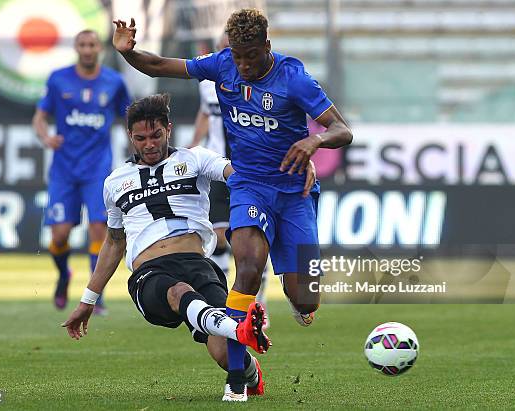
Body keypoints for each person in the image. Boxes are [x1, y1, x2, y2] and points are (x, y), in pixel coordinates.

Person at [112, 8, 352, 400]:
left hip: (294, 195)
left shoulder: (293, 77)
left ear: (267, 47)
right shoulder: (222, 66)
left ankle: (296, 294)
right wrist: (127, 52)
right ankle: (237, 380)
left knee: (307, 295)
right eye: (238, 55)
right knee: (248, 268)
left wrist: (314, 142)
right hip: (249, 186)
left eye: (251, 57)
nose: (243, 65)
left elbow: (342, 129)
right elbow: (156, 65)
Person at [62, 94, 280, 400]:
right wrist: (88, 299)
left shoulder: (195, 159)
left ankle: (250, 373)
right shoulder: (115, 182)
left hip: (198, 265)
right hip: (150, 275)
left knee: (223, 352)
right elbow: (114, 241)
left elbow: (235, 174)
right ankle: (238, 330)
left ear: (169, 129)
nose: (149, 144)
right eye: (140, 138)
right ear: (130, 137)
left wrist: (262, 187)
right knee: (179, 293)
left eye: (156, 135)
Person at [32, 29, 131, 313]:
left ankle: (94, 293)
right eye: (82, 45)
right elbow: (39, 117)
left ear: (99, 48)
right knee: (59, 235)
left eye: (92, 45)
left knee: (99, 227)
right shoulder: (58, 78)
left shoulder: (114, 81)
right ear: (76, 48)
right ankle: (63, 275)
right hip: (64, 168)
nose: (87, 50)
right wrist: (45, 137)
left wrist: (134, 149)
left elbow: (128, 117)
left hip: (98, 167)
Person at [189, 34, 273, 313]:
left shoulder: (255, 86)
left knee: (248, 241)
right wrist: (193, 143)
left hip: (250, 169)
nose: (229, 56)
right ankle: (229, 301)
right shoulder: (207, 85)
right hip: (218, 166)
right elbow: (206, 113)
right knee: (221, 235)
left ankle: (257, 300)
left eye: (233, 50)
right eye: (224, 49)